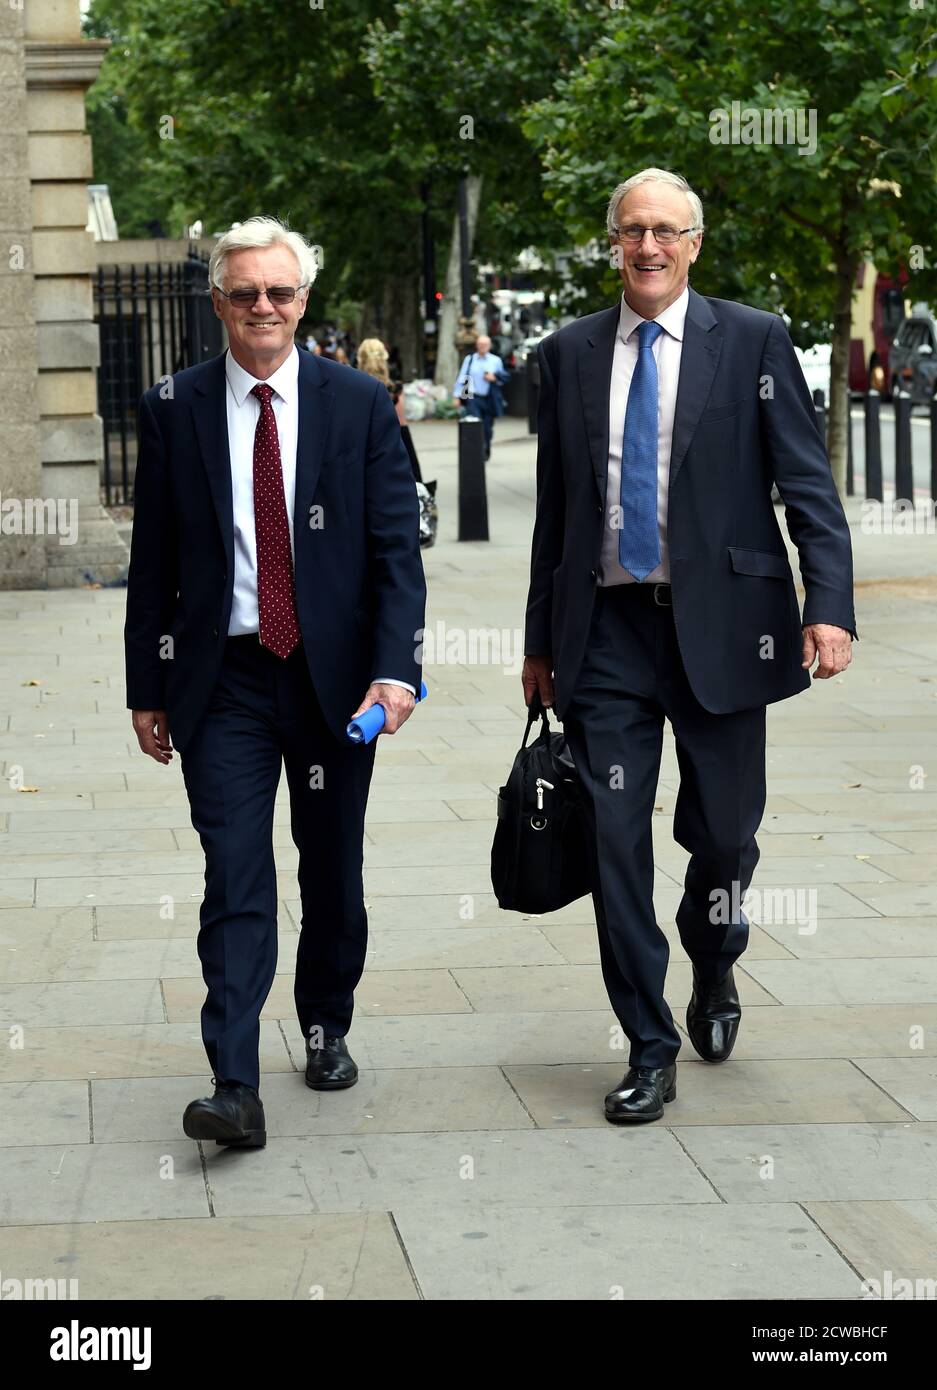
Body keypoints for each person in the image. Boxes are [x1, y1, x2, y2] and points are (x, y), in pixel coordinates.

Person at [522, 168, 855, 1124]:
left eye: (667, 231)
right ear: (612, 242)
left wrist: (825, 604)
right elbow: (558, 514)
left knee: (721, 837)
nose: (649, 246)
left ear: (694, 245)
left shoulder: (749, 339)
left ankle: (714, 961)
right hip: (609, 638)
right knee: (614, 843)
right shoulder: (571, 352)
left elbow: (806, 485)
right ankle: (647, 1043)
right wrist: (541, 639)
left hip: (725, 633)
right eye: (632, 230)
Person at [125, 215, 426, 1149]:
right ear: (218, 301)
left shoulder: (358, 405)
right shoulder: (172, 406)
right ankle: (234, 1081)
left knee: (332, 865)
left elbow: (393, 554)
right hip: (224, 684)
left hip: (334, 687)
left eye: (281, 292)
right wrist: (148, 685)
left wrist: (395, 670)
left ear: (303, 301)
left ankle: (326, 1019)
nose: (264, 306)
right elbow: (152, 563)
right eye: (246, 291)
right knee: (235, 872)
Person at [357, 336, 422, 482]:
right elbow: (401, 424)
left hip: (358, 451)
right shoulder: (393, 389)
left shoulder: (351, 387)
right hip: (389, 451)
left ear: (360, 359)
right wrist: (415, 473)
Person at [452, 333, 510, 460]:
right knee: (475, 423)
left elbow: (503, 378)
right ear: (477, 346)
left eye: (485, 344)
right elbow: (463, 378)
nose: (482, 346)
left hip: (490, 398)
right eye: (480, 344)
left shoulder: (495, 360)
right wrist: (457, 396)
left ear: (489, 346)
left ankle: (486, 446)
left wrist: (494, 378)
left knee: (487, 428)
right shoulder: (470, 359)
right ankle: (477, 452)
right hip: (474, 397)